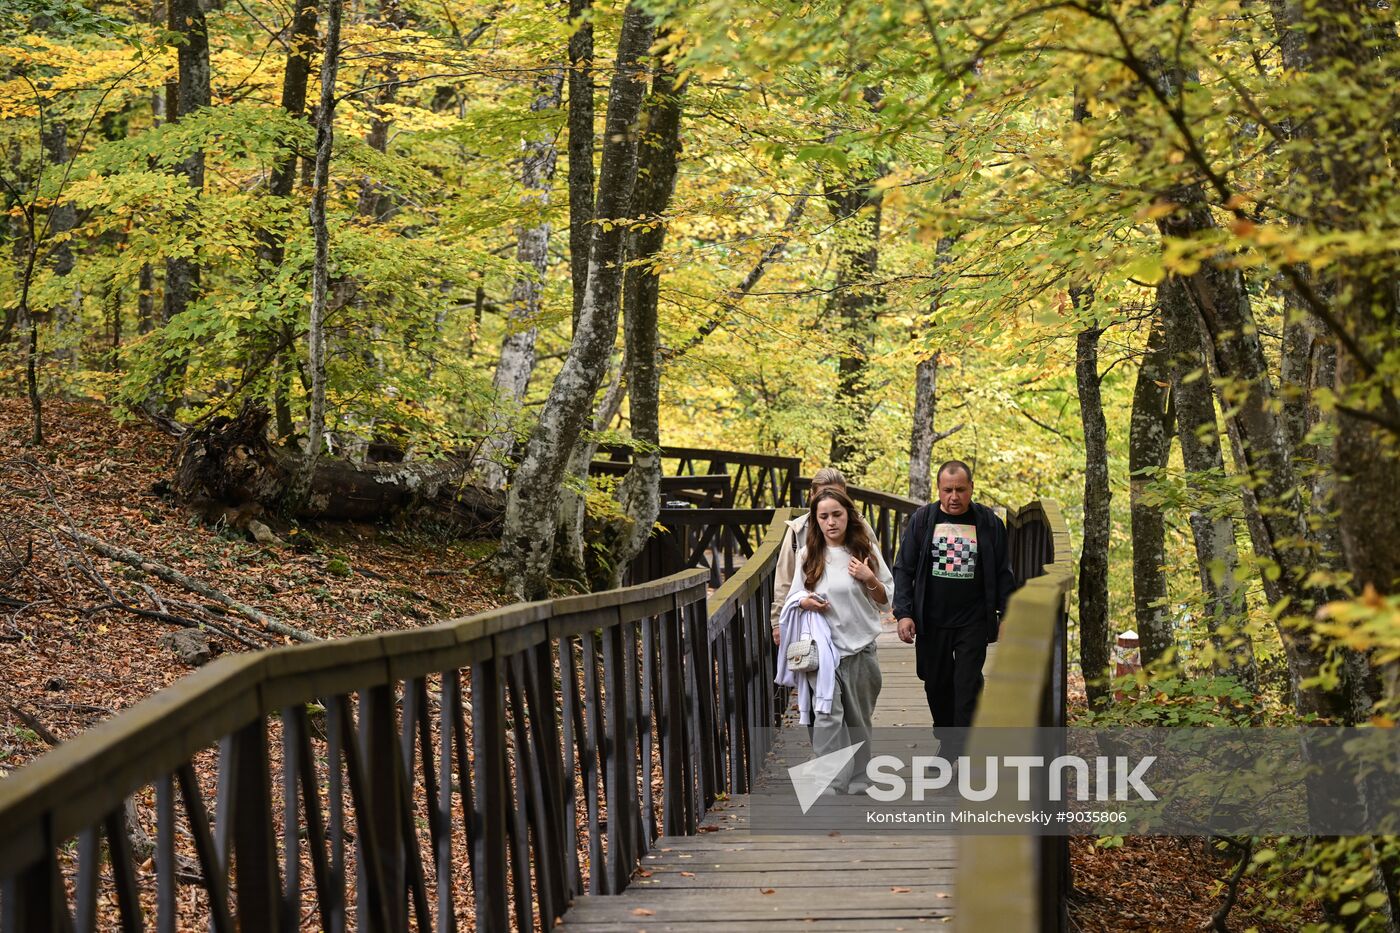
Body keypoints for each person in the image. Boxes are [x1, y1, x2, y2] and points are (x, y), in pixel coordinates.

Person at [892, 460, 1015, 758]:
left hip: (973, 619)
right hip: (931, 620)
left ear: (971, 487)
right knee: (936, 684)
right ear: (938, 489)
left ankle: (960, 747)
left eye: (961, 489)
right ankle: (948, 738)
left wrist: (1006, 615)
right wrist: (904, 613)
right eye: (948, 490)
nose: (954, 497)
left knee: (967, 684)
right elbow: (904, 569)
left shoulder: (989, 524)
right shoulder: (923, 520)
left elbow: (1003, 573)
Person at [776, 488, 893, 794]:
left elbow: (886, 601)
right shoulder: (808, 554)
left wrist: (869, 577)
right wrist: (805, 602)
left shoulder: (864, 550)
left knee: (858, 719)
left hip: (860, 649)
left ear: (848, 516)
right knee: (827, 717)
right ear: (816, 520)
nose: (831, 522)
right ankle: (831, 780)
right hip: (823, 651)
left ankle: (860, 776)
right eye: (824, 516)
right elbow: (794, 598)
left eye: (837, 515)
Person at [771, 467, 877, 645]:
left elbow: (877, 570)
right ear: (812, 496)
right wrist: (777, 622)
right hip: (813, 628)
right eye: (823, 494)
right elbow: (784, 579)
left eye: (836, 494)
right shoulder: (798, 531)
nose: (829, 499)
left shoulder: (860, 527)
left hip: (855, 629)